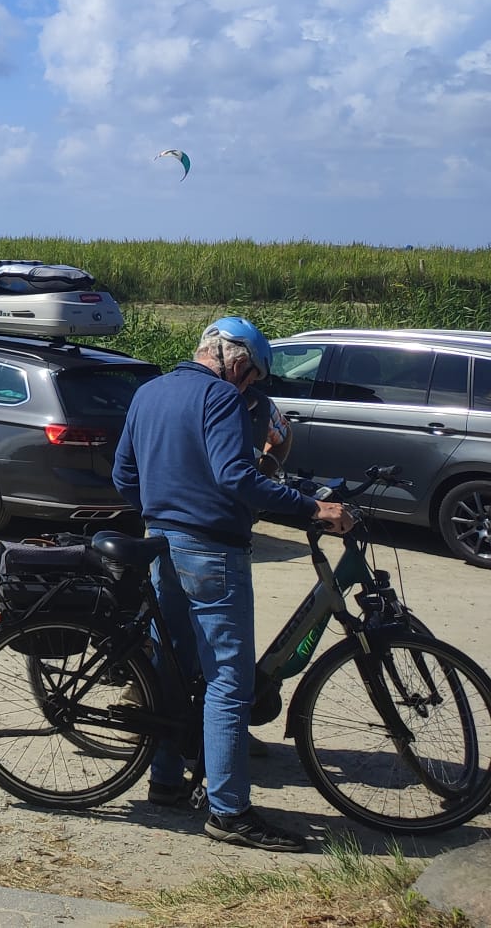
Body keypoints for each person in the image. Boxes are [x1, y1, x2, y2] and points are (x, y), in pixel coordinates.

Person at [113, 316, 354, 852]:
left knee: (171, 668)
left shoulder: (149, 392)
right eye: (252, 377)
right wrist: (312, 508)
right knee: (228, 681)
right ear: (238, 362)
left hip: (160, 545)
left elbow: (124, 477)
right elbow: (236, 477)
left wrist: (165, 509)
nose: (249, 388)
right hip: (213, 552)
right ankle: (229, 811)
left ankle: (165, 782)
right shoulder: (220, 397)